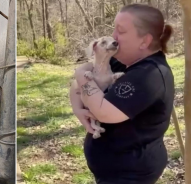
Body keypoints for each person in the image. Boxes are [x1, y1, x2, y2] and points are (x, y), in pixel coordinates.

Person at [69, 4, 175, 184]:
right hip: (113, 171)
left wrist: (81, 75)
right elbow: (74, 85)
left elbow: (103, 111)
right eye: (114, 30)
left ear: (145, 41)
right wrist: (79, 109)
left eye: (121, 31)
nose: (114, 37)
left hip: (131, 174)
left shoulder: (149, 75)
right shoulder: (122, 63)